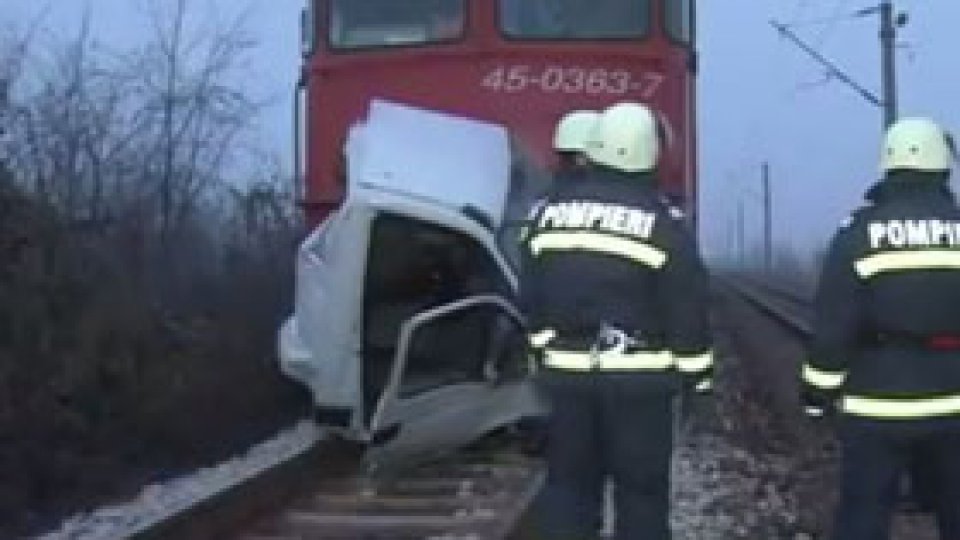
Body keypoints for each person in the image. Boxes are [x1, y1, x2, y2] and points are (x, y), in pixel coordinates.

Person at [521, 102, 713, 539]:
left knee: (569, 491)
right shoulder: (663, 223)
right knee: (641, 496)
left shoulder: (547, 216)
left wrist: (546, 351)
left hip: (567, 383)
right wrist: (697, 382)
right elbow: (687, 310)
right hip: (640, 389)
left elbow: (530, 299)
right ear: (648, 153)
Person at [802, 117, 960, 539]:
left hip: (876, 406)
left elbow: (834, 324)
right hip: (954, 403)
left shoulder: (858, 232)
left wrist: (817, 396)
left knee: (864, 516)